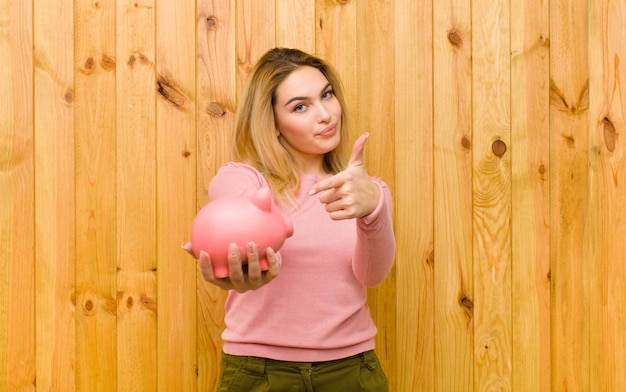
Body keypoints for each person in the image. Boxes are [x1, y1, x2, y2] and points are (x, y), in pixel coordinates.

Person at [183, 47, 395, 392]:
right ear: (274, 124)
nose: (326, 114)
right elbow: (233, 218)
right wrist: (234, 264)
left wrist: (374, 208)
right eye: (301, 106)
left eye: (327, 95)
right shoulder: (244, 181)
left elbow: (372, 275)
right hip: (259, 373)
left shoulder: (365, 192)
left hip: (351, 371)